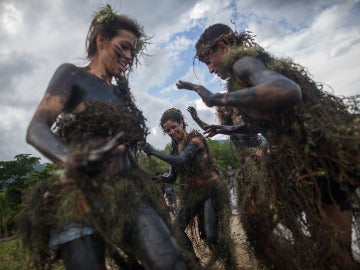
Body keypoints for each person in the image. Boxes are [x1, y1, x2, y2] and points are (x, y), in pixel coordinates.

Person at [17, 5, 196, 270]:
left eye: (132, 50)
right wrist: (72, 160)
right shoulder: (72, 75)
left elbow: (124, 148)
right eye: (122, 47)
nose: (128, 55)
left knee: (171, 263)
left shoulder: (122, 95)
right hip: (81, 197)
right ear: (101, 39)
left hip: (128, 193)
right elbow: (37, 129)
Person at [177, 23, 360, 269]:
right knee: (330, 247)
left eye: (208, 60)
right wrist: (225, 129)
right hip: (315, 164)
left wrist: (216, 98)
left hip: (316, 162)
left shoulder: (243, 63)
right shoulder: (241, 76)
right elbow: (260, 122)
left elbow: (286, 90)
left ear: (223, 46)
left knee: (325, 248)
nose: (209, 69)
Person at [144, 108, 238, 269]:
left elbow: (181, 160)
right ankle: (195, 265)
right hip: (196, 193)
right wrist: (159, 178)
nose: (172, 132)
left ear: (181, 123)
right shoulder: (174, 148)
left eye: (174, 127)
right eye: (168, 130)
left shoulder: (195, 139)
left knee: (212, 236)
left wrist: (154, 152)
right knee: (176, 229)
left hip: (212, 189)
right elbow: (172, 177)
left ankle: (230, 265)